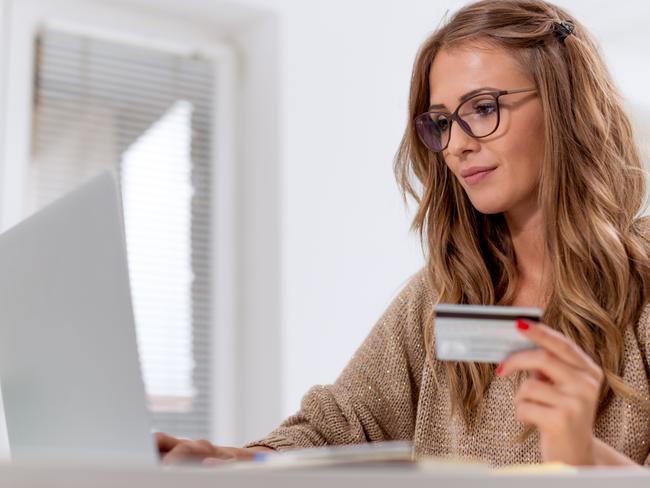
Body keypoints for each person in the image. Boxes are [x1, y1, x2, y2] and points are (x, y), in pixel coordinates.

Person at [157, 0, 650, 466]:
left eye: (482, 109)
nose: (455, 145)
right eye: (442, 122)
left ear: (566, 105)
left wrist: (586, 458)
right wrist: (235, 460)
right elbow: (341, 426)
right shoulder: (447, 291)